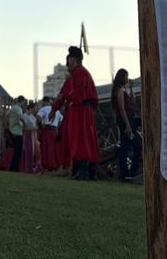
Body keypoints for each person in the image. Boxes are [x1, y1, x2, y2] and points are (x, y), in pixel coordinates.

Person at [51, 46, 100, 180]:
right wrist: (55, 108)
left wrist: (55, 108)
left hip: (80, 112)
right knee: (84, 140)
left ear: (74, 59)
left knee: (80, 140)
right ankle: (87, 172)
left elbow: (67, 94)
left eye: (70, 59)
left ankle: (83, 172)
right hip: (83, 111)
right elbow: (64, 94)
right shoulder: (80, 73)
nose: (68, 62)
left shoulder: (79, 74)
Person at [112, 68, 141, 182]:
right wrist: (127, 125)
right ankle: (128, 173)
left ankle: (128, 174)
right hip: (125, 120)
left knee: (128, 146)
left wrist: (131, 88)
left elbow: (132, 102)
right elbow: (122, 109)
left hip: (128, 119)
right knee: (132, 146)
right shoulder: (119, 91)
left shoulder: (123, 90)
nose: (127, 79)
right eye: (126, 76)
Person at [8, 96, 26, 173]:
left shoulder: (12, 108)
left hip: (12, 130)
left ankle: (12, 167)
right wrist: (25, 124)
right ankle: (15, 168)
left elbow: (8, 116)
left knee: (15, 150)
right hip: (17, 131)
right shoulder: (18, 109)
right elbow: (20, 117)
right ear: (22, 101)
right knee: (18, 151)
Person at [22, 100, 40, 173]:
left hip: (34, 135)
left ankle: (32, 167)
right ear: (30, 108)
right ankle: (27, 168)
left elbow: (36, 125)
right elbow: (23, 128)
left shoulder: (33, 116)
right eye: (34, 108)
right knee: (28, 151)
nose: (35, 110)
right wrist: (33, 129)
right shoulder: (24, 116)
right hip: (28, 135)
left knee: (34, 152)